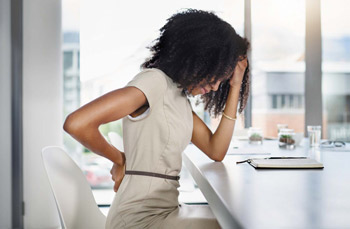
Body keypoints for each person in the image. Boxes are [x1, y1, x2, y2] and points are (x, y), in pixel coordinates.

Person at [64, 9, 250, 229]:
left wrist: (235, 85)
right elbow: (77, 123)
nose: (216, 85)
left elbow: (216, 150)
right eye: (217, 74)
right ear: (197, 57)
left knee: (233, 223)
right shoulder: (154, 82)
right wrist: (120, 159)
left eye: (223, 79)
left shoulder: (178, 97)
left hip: (166, 213)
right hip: (138, 220)